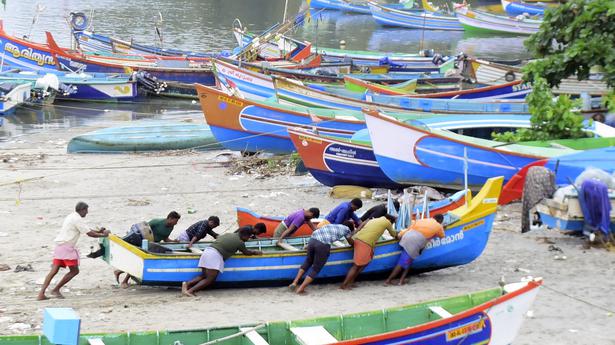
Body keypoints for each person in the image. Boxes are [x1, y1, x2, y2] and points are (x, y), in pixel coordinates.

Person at [37, 202, 110, 300]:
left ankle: (41, 294)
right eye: (86, 210)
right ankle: (56, 290)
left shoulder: (71, 216)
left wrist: (99, 231)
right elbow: (89, 234)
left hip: (59, 246)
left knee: (53, 271)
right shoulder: (77, 219)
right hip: (67, 248)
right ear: (82, 210)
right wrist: (104, 235)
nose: (87, 213)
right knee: (74, 271)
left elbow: (87, 229)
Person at [181, 226, 262, 296]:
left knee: (204, 276)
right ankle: (190, 291)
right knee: (210, 279)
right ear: (245, 235)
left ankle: (186, 284)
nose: (248, 239)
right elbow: (246, 252)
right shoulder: (240, 242)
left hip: (207, 251)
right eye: (248, 237)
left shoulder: (229, 234)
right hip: (214, 255)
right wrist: (256, 252)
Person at [115, 211, 181, 288]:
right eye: (176, 221)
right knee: (139, 262)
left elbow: (165, 238)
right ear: (170, 218)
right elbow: (143, 229)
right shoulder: (157, 222)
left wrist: (174, 241)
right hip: (144, 244)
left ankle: (119, 272)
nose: (176, 223)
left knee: (142, 263)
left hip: (153, 246)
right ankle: (124, 280)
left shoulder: (171, 227)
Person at [289, 221, 355, 294]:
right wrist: (355, 244)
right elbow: (350, 242)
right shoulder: (347, 229)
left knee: (308, 261)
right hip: (322, 244)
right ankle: (301, 289)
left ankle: (294, 282)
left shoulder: (332, 225)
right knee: (316, 268)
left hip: (312, 240)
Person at [340, 214, 397, 290]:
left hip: (360, 240)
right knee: (356, 265)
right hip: (364, 242)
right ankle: (344, 285)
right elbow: (393, 233)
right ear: (390, 220)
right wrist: (399, 235)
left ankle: (351, 282)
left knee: (364, 263)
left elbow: (363, 224)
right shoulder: (387, 222)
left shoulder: (374, 219)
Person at [384, 214, 445, 286]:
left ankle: (402, 280)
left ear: (433, 217)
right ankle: (388, 281)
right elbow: (442, 236)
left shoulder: (422, 220)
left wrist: (399, 235)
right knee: (402, 262)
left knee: (409, 260)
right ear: (440, 221)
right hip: (414, 242)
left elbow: (409, 229)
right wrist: (442, 227)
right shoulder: (438, 226)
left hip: (406, 237)